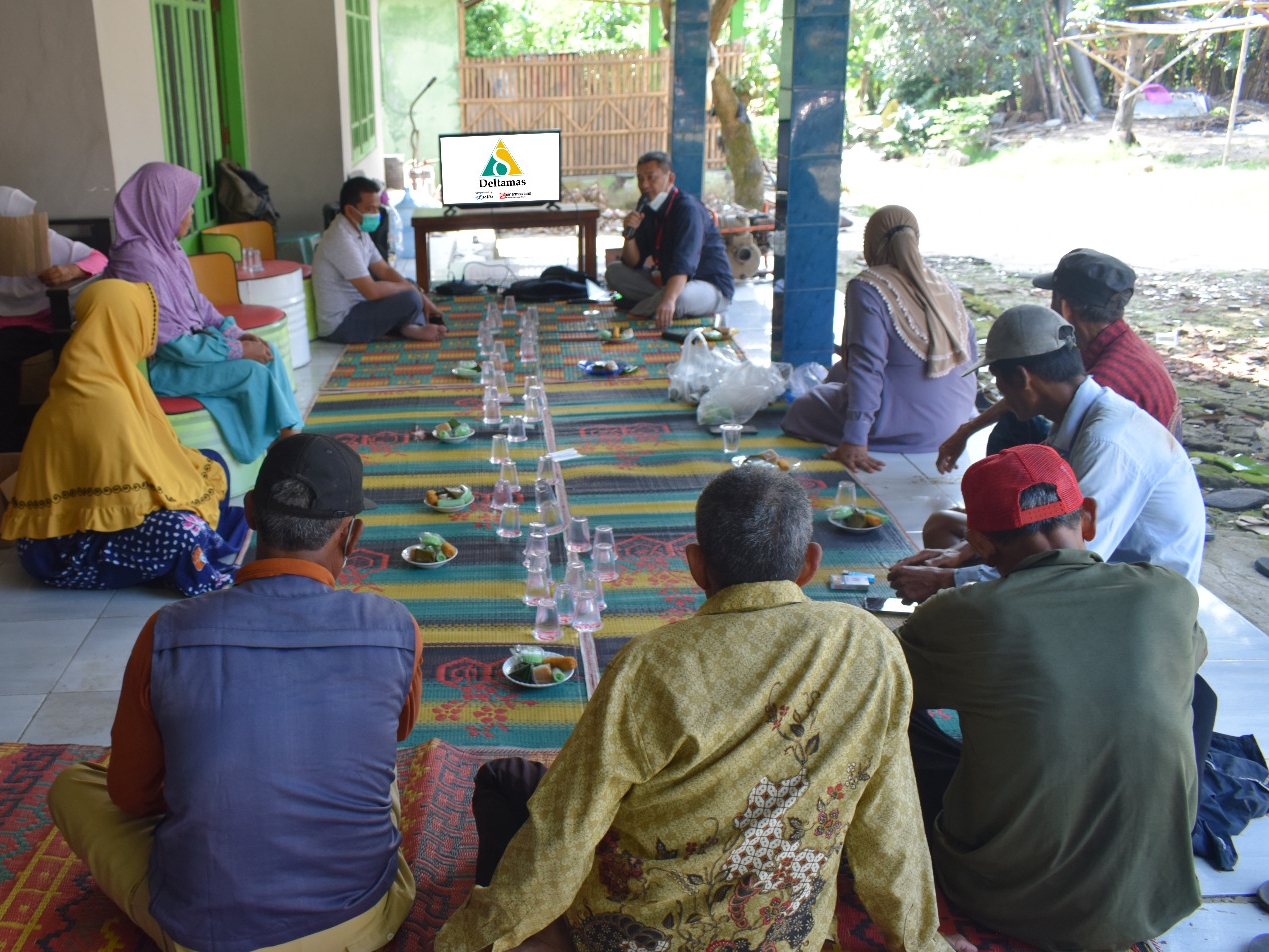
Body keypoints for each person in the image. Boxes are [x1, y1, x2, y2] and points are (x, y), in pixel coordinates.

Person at [437, 466, 972, 952]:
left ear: (696, 566)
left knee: (508, 784)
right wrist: (923, 942)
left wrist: (469, 940)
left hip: (636, 934)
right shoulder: (868, 645)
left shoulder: (649, 665)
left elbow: (563, 833)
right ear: (811, 562)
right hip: (779, 934)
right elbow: (890, 822)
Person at [47, 433, 423, 952]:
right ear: (352, 535)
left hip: (210, 937)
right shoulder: (395, 626)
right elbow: (398, 731)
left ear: (248, 512)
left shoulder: (168, 631)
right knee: (372, 761)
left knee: (72, 787)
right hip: (357, 922)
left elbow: (132, 798)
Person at [898, 444, 1207, 950]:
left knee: (907, 722)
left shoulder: (965, 614)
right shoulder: (1169, 594)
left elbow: (883, 685)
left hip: (1003, 897)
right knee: (1185, 691)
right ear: (1087, 517)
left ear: (980, 544)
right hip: (1155, 893)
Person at [888, 304, 1205, 604]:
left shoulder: (1107, 443)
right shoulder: (1076, 415)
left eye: (999, 381)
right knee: (946, 527)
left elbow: (1069, 564)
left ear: (1023, 379)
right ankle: (965, 615)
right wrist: (960, 552)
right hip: (1079, 563)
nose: (1001, 394)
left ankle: (977, 628)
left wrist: (949, 581)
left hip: (1135, 592)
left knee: (957, 575)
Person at [1, 280, 247, 597]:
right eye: (143, 320)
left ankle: (184, 546)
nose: (149, 331)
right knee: (182, 530)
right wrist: (183, 499)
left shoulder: (102, 371)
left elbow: (146, 458)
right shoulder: (98, 398)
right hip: (62, 550)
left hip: (93, 520)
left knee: (209, 463)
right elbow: (132, 495)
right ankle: (192, 560)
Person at [104, 162, 302, 464]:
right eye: (186, 206)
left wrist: (235, 334)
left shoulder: (168, 247)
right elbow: (171, 344)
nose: (192, 213)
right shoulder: (138, 260)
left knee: (268, 350)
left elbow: (199, 304)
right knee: (250, 371)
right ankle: (290, 455)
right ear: (163, 207)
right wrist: (237, 351)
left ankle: (286, 442)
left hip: (194, 351)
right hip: (162, 367)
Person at [935, 248, 1180, 473]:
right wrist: (967, 430)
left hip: (1125, 482)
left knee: (1013, 461)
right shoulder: (1113, 343)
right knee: (1016, 421)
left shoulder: (1108, 383)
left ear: (1065, 307)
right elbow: (1023, 388)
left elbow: (1056, 462)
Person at [782, 206, 978, 472]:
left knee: (804, 407)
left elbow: (867, 367)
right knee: (839, 373)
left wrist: (855, 439)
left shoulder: (869, 287)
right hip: (953, 424)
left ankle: (864, 429)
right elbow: (970, 354)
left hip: (904, 426)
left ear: (871, 242)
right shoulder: (944, 284)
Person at [0, 186, 109, 451]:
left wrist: (70, 270)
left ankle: (9, 445)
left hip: (37, 323)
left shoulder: (43, 240)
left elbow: (99, 259)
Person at [604, 151, 733, 329]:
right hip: (668, 284)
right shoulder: (648, 207)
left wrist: (669, 299)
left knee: (679, 298)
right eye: (640, 178)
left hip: (709, 287)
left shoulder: (688, 210)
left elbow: (684, 265)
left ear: (670, 178)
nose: (644, 185)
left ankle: (644, 308)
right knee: (614, 271)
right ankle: (662, 304)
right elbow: (632, 262)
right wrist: (629, 235)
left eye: (651, 177)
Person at [311, 176, 447, 344]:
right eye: (370, 209)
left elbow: (384, 270)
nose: (376, 214)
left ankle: (413, 326)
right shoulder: (340, 239)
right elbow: (371, 291)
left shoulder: (357, 230)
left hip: (360, 307)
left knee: (408, 285)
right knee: (409, 297)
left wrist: (423, 298)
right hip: (342, 324)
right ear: (349, 210)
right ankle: (411, 328)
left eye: (377, 208)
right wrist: (413, 291)